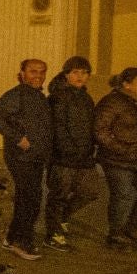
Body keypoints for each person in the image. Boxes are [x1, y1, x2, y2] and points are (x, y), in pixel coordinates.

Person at [0, 57, 53, 260]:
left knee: (30, 197)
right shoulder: (17, 95)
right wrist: (18, 138)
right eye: (33, 71)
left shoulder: (38, 96)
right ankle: (21, 243)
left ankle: (12, 237)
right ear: (22, 73)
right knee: (29, 199)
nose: (38, 76)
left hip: (35, 156)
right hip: (21, 157)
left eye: (42, 72)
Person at [94, 67, 137, 251]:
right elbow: (101, 130)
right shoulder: (112, 102)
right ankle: (115, 235)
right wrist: (121, 148)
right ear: (126, 84)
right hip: (117, 160)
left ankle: (129, 230)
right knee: (123, 196)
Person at [45, 55, 104, 250]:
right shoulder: (58, 96)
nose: (80, 76)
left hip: (84, 156)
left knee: (90, 191)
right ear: (67, 74)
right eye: (76, 72)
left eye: (85, 72)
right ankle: (53, 234)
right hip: (64, 157)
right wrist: (67, 149)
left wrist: (92, 146)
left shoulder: (85, 97)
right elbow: (58, 126)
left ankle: (62, 218)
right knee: (58, 195)